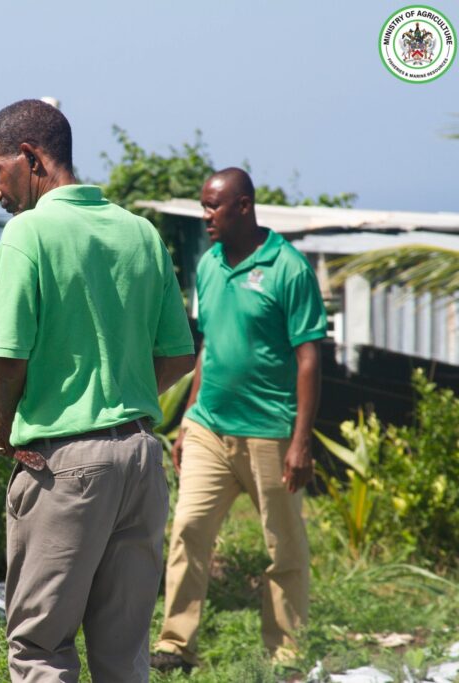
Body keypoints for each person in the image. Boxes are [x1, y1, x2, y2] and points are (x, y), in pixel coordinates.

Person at [0, 99, 195, 682]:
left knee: (40, 646)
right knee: (123, 653)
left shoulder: (30, 232)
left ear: (29, 158)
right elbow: (179, 353)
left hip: (66, 465)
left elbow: (7, 355)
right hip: (139, 459)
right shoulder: (140, 233)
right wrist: (119, 399)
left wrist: (5, 421)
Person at [151, 168, 326, 673]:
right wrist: (187, 419)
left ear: (244, 206)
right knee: (187, 529)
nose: (206, 216)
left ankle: (285, 652)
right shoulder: (207, 266)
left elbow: (309, 357)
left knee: (284, 546)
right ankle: (175, 645)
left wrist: (301, 442)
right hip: (209, 427)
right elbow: (209, 347)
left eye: (213, 206)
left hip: (271, 434)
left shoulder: (288, 268)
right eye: (204, 205)